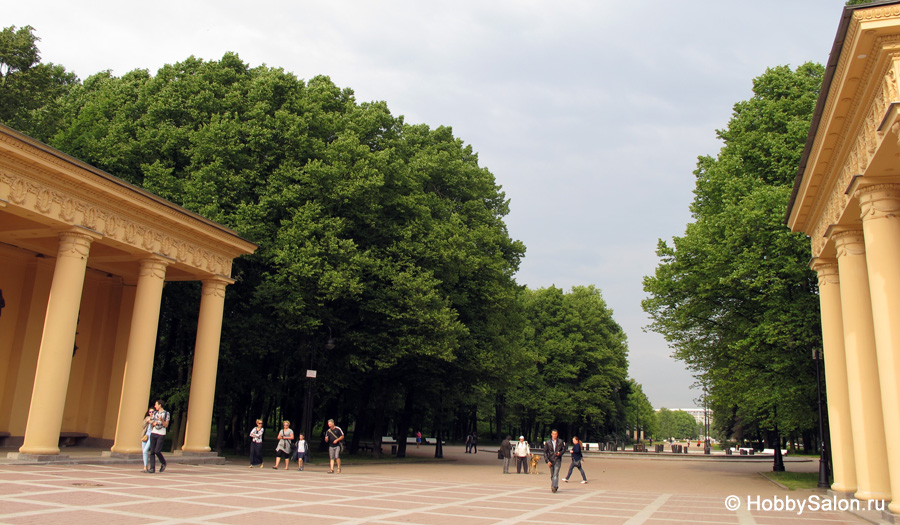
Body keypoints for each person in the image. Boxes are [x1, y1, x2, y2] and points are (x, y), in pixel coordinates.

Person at [147, 400, 169, 474]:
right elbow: (151, 421)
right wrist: (153, 422)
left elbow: (166, 425)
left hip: (161, 433)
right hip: (154, 432)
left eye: (156, 405)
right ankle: (152, 468)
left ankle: (163, 462)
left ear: (160, 405)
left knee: (157, 451)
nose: (155, 406)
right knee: (152, 451)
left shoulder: (166, 413)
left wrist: (162, 420)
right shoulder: (155, 413)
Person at [140, 408, 153, 472]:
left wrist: (150, 420)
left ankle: (146, 466)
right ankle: (145, 466)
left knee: (145, 450)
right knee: (143, 451)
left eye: (152, 412)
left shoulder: (155, 418)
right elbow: (143, 426)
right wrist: (147, 421)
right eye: (150, 412)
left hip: (151, 436)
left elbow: (154, 424)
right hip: (145, 436)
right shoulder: (147, 418)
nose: (151, 413)